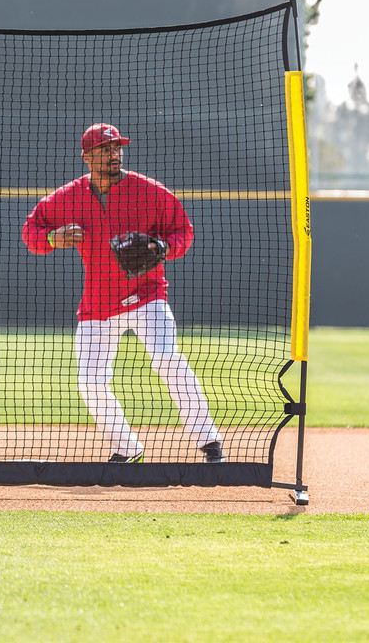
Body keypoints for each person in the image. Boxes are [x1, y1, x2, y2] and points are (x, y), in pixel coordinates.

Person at [22, 123, 225, 464]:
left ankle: (208, 441)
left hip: (147, 295)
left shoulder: (149, 191)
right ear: (87, 157)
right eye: (105, 149)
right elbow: (31, 230)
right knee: (89, 383)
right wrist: (52, 238)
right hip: (98, 303)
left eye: (117, 147)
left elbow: (183, 232)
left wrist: (163, 246)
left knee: (166, 359)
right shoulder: (68, 197)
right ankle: (128, 448)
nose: (114, 153)